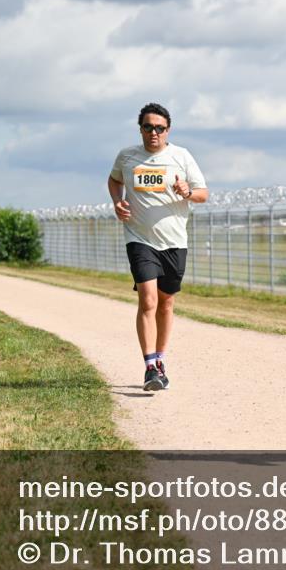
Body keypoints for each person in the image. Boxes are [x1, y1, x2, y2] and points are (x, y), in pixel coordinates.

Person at [108, 102, 209, 391]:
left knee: (166, 303)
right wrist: (118, 203)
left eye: (160, 128)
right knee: (148, 300)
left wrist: (187, 192)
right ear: (140, 129)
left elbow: (203, 193)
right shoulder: (127, 157)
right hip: (139, 238)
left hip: (174, 241)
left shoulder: (181, 157)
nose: (154, 133)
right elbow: (114, 180)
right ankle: (150, 367)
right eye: (148, 127)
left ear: (168, 130)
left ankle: (161, 359)